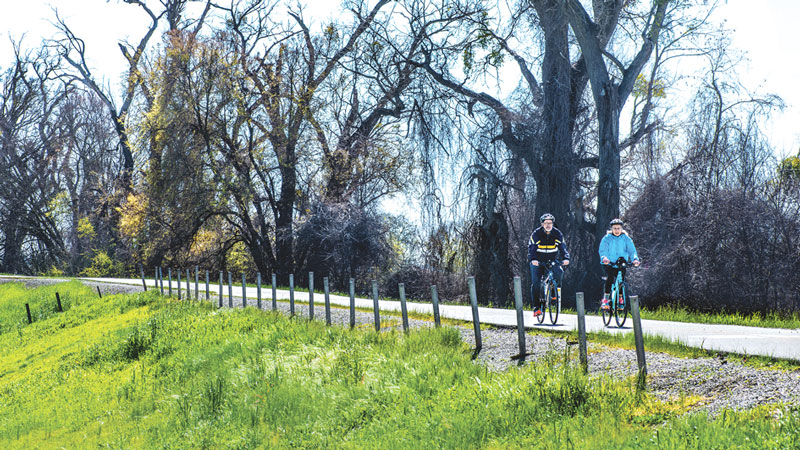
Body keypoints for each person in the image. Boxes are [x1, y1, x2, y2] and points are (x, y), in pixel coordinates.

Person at [528, 213, 570, 317]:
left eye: (550, 223)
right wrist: (533, 259)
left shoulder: (557, 233)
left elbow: (563, 247)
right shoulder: (536, 234)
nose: (548, 225)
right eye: (546, 223)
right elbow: (532, 249)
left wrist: (566, 258)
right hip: (538, 261)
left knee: (559, 272)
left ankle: (552, 291)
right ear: (542, 224)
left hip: (552, 260)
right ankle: (536, 308)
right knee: (536, 283)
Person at [598, 218, 640, 310]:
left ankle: (620, 298)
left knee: (621, 280)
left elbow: (632, 250)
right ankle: (606, 299)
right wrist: (604, 258)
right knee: (610, 276)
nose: (617, 230)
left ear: (622, 229)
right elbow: (603, 250)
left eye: (618, 228)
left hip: (621, 262)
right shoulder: (607, 238)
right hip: (609, 262)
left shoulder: (626, 238)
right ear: (611, 229)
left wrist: (635, 259)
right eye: (615, 228)